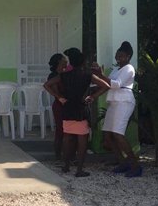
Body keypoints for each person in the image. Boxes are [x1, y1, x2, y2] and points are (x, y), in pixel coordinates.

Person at [44, 47, 110, 177]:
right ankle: (79, 169)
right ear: (83, 62)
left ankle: (66, 165)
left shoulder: (63, 75)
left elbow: (47, 85)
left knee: (67, 137)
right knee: (82, 139)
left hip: (67, 107)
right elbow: (106, 86)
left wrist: (59, 97)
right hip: (81, 108)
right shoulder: (88, 75)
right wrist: (93, 97)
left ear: (71, 63)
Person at [93, 41, 141, 177]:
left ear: (128, 56)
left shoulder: (129, 68)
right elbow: (107, 84)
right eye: (117, 56)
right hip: (114, 102)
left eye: (121, 56)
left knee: (118, 134)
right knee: (108, 136)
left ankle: (136, 166)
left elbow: (116, 84)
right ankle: (123, 163)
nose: (118, 58)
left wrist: (100, 76)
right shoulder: (116, 69)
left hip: (124, 102)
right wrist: (97, 79)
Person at [47, 53, 68, 160]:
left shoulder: (66, 73)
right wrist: (60, 97)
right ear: (59, 61)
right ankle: (58, 155)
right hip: (60, 105)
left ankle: (66, 153)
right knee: (60, 130)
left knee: (67, 130)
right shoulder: (54, 75)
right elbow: (54, 90)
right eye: (64, 59)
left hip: (67, 104)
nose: (66, 61)